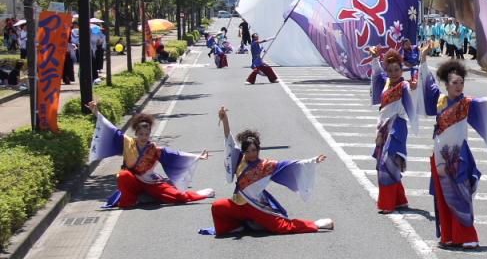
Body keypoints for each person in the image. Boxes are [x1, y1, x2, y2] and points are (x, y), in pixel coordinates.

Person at [204, 106, 333, 236]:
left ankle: (316, 224)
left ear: (258, 150)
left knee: (281, 227)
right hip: (238, 203)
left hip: (255, 206)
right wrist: (225, 120)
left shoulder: (266, 165)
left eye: (254, 150)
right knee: (217, 207)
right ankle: (237, 226)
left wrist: (313, 161)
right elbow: (229, 141)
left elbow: (288, 165)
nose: (251, 154)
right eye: (247, 151)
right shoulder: (239, 159)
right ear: (243, 151)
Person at [420, 56, 487, 248]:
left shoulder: (466, 103)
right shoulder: (440, 101)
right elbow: (427, 85)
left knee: (461, 195)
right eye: (455, 83)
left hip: (458, 156)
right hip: (440, 156)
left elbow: (484, 104)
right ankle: (449, 236)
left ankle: (467, 237)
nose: (459, 86)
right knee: (444, 197)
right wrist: (423, 60)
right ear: (446, 84)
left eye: (461, 82)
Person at [86, 101, 214, 209]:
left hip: (151, 182)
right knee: (123, 175)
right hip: (134, 181)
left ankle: (200, 194)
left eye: (146, 134)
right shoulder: (128, 142)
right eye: (141, 134)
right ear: (136, 133)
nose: (144, 137)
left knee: (178, 197)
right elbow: (111, 129)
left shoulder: (154, 149)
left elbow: (176, 155)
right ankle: (131, 201)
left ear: (150, 134)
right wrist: (96, 112)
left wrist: (197, 157)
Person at [370, 48, 419, 213]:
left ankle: (387, 204)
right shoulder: (386, 83)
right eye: (390, 70)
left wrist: (414, 87)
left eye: (396, 69)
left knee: (388, 164)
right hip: (383, 128)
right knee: (384, 164)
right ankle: (400, 200)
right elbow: (377, 72)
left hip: (397, 127)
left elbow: (413, 89)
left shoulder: (404, 85)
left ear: (401, 69)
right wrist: (375, 57)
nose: (393, 73)